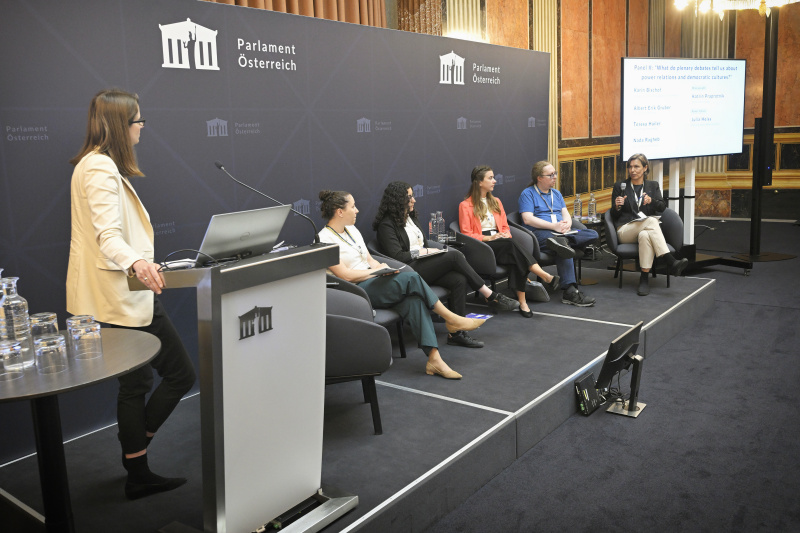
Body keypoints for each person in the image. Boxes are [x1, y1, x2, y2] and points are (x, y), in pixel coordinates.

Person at [67, 89, 196, 500]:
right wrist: (137, 262)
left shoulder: (96, 164)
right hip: (119, 293)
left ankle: (136, 460)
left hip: (122, 292)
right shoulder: (98, 168)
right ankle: (136, 462)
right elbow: (107, 235)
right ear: (120, 125)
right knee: (169, 376)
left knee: (138, 382)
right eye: (138, 121)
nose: (142, 127)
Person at [319, 190, 485, 379]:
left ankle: (435, 360)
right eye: (353, 206)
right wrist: (375, 272)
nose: (357, 210)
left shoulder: (352, 230)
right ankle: (451, 318)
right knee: (412, 278)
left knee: (414, 302)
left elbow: (369, 259)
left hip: (375, 281)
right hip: (357, 291)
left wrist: (381, 267)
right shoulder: (324, 239)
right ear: (340, 211)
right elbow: (345, 276)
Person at [373, 181, 519, 348]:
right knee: (454, 256)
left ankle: (457, 334)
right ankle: (490, 295)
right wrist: (423, 252)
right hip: (409, 271)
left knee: (458, 279)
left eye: (413, 196)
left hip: (425, 264)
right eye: (409, 197)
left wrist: (429, 252)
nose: (414, 200)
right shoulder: (386, 225)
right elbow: (397, 256)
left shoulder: (411, 217)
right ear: (397, 199)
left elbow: (424, 243)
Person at [458, 166, 561, 318]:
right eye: (490, 178)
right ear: (479, 182)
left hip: (502, 242)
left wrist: (504, 234)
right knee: (512, 246)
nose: (494, 181)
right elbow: (467, 234)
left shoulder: (496, 202)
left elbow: (505, 227)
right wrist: (489, 238)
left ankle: (523, 302)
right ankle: (543, 276)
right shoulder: (465, 205)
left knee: (515, 257)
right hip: (483, 245)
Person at [519, 161, 597, 307]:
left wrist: (567, 224)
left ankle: (563, 243)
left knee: (592, 233)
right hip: (540, 233)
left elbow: (566, 214)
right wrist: (553, 226)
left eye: (555, 173)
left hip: (561, 233)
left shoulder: (556, 193)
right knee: (562, 248)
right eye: (550, 175)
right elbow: (527, 219)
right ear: (539, 178)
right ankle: (570, 292)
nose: (554, 177)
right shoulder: (528, 194)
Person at [610, 153, 689, 295]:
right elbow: (613, 215)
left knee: (645, 235)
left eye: (636, 167)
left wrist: (651, 201)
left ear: (645, 168)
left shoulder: (653, 185)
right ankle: (670, 260)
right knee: (652, 221)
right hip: (625, 230)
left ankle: (644, 279)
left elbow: (662, 207)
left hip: (644, 228)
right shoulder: (620, 186)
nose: (632, 170)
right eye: (630, 167)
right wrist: (617, 206)